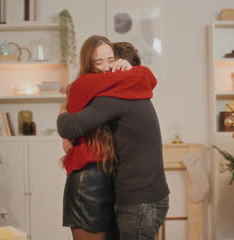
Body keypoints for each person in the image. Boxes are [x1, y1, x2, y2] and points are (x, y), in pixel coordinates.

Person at [58, 39, 170, 240]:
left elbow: (67, 126)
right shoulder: (128, 86)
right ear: (88, 65)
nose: (106, 68)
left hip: (140, 202)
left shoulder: (117, 94)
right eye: (98, 62)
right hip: (141, 198)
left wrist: (63, 109)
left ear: (118, 61)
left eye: (110, 60)